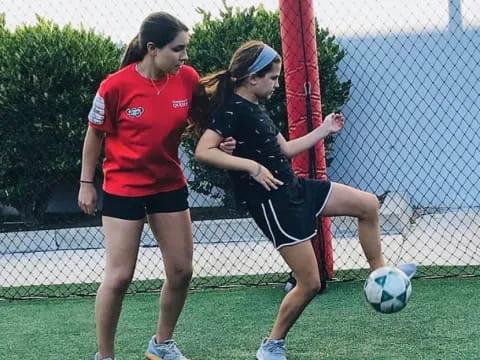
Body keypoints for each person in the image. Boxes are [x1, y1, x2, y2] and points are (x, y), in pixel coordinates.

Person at [191, 40, 416, 360]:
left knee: (368, 204)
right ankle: (271, 345)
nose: (277, 83)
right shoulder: (231, 111)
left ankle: (381, 273)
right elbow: (204, 150)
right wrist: (252, 167)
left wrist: (324, 129)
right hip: (273, 202)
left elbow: (285, 150)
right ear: (252, 78)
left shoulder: (255, 107)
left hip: (295, 188)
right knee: (309, 283)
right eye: (273, 77)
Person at [78, 12, 235, 360]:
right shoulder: (115, 86)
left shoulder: (187, 79)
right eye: (178, 49)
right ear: (152, 49)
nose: (185, 57)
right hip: (123, 188)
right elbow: (94, 134)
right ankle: (104, 356)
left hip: (168, 185)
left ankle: (161, 345)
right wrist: (87, 182)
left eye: (185, 50)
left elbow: (200, 122)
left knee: (181, 271)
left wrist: (219, 142)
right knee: (119, 277)